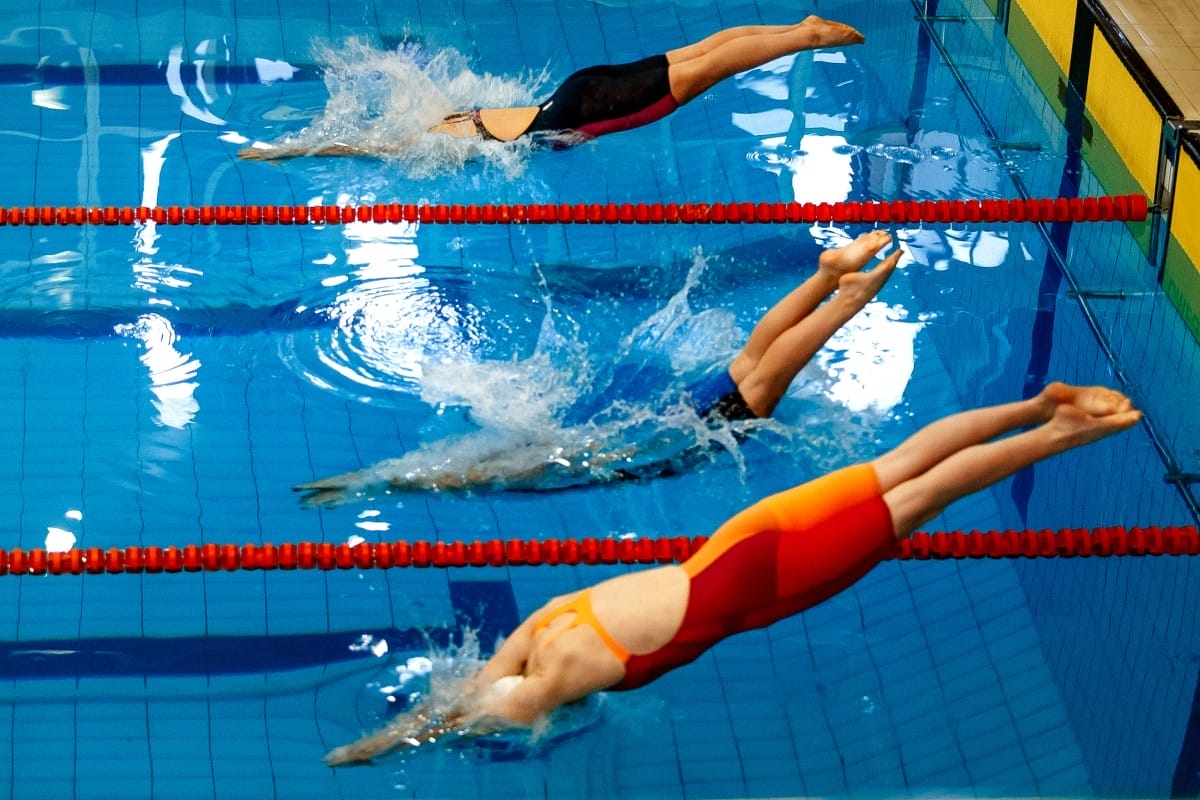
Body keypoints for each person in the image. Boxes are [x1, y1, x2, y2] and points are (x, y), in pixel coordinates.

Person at [324, 381, 1141, 764]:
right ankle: (1038, 405)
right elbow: (476, 689)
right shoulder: (543, 624)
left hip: (770, 579)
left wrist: (381, 747)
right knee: (905, 462)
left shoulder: (554, 679)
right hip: (741, 539)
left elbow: (462, 717)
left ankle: (1066, 432)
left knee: (924, 498)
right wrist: (402, 730)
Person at [293, 231, 900, 503]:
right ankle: (828, 280)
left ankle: (836, 290)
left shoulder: (551, 462)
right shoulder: (551, 452)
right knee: (752, 369)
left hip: (680, 420)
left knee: (756, 376)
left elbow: (461, 475)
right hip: (672, 420)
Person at [239, 16, 865, 160]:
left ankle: (802, 37)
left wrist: (288, 152)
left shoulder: (439, 144)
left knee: (707, 69)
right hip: (576, 89)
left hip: (591, 106)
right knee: (698, 52)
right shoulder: (456, 112)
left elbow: (362, 148)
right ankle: (793, 28)